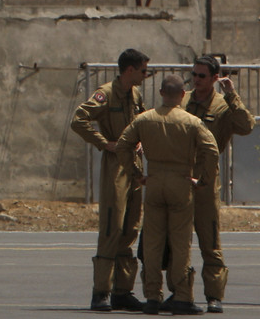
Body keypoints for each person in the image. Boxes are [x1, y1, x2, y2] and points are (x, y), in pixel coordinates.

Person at [117, 75, 218, 315]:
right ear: (183, 95)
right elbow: (212, 150)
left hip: (154, 181)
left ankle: (152, 296)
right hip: (181, 181)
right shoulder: (192, 122)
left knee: (152, 242)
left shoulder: (145, 119)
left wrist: (136, 173)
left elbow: (123, 145)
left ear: (161, 93)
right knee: (181, 242)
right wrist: (203, 180)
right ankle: (182, 295)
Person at [70, 48, 150, 312]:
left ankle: (122, 291)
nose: (145, 75)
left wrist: (140, 141)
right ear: (130, 70)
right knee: (111, 227)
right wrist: (105, 143)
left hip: (134, 166)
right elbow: (79, 120)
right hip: (116, 165)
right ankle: (101, 291)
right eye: (142, 70)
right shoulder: (106, 93)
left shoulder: (135, 94)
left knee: (130, 228)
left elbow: (141, 120)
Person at [177, 55, 255, 313]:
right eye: (194, 75)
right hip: (179, 174)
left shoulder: (223, 105)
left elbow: (246, 126)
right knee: (178, 239)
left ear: (214, 78)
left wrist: (232, 95)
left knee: (209, 239)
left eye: (202, 76)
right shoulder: (183, 99)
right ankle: (180, 293)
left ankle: (214, 294)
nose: (196, 80)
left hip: (206, 177)